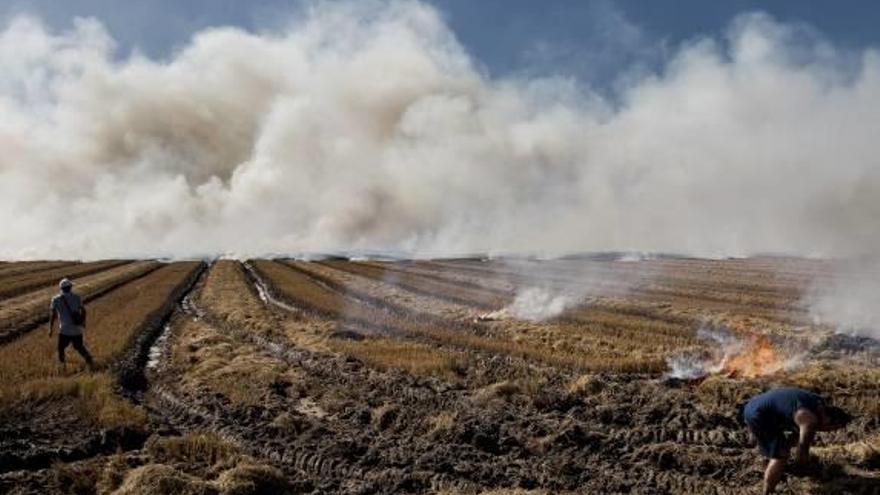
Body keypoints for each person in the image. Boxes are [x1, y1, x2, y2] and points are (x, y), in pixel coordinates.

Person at [742, 387, 852, 494]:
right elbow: (802, 452)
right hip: (758, 414)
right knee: (780, 456)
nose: (826, 431)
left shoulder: (819, 403)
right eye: (831, 429)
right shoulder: (809, 420)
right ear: (830, 422)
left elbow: (795, 435)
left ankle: (778, 465)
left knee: (789, 441)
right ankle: (767, 491)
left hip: (759, 404)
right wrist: (805, 469)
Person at [49, 278, 94, 367]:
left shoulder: (55, 299)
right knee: (79, 347)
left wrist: (50, 329)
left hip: (64, 330)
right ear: (70, 287)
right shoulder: (77, 297)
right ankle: (90, 361)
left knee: (61, 348)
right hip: (77, 329)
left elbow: (52, 315)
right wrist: (83, 322)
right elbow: (84, 311)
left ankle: (62, 366)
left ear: (61, 288)